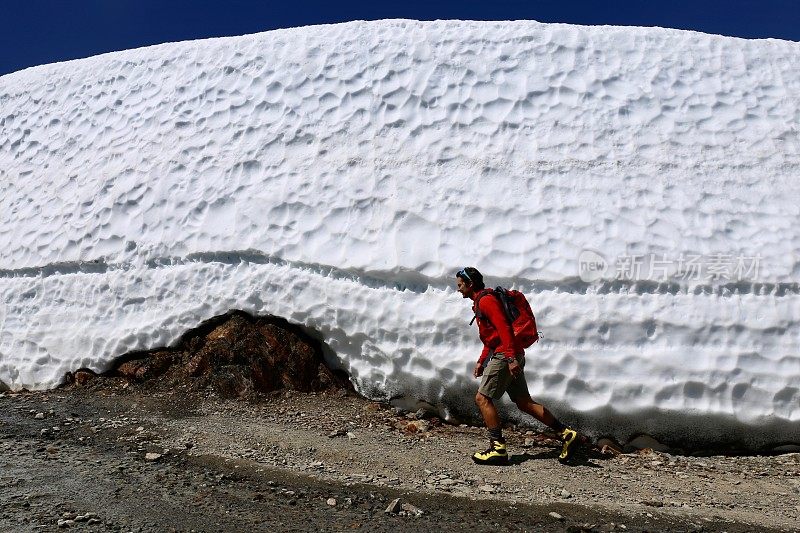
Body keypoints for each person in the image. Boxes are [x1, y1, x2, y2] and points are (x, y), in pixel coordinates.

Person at [455, 266, 578, 465]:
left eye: (460, 285)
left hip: (506, 355)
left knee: (482, 398)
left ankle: (498, 448)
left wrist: (510, 359)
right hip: (510, 353)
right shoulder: (481, 302)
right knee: (524, 402)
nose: (459, 289)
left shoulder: (486, 301)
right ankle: (566, 434)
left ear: (470, 284)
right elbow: (492, 337)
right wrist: (482, 360)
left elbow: (504, 328)